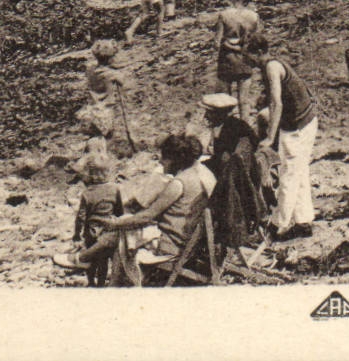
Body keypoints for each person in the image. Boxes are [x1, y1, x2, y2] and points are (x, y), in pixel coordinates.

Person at [54, 133, 216, 270]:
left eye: (164, 159)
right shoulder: (202, 173)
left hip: (172, 246)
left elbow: (147, 216)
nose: (160, 162)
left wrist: (115, 224)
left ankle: (85, 260)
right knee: (126, 225)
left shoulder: (179, 183)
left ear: (175, 159)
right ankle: (86, 258)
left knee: (123, 228)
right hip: (189, 241)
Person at [250, 35, 318, 240]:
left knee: (288, 174)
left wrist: (270, 138)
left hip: (297, 126)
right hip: (305, 120)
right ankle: (303, 221)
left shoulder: (271, 68)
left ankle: (278, 225)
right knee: (299, 171)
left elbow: (276, 104)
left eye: (249, 55)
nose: (248, 60)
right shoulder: (275, 63)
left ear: (259, 53)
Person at [201, 92, 270, 250]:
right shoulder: (228, 125)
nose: (206, 116)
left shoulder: (234, 129)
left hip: (240, 176)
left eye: (209, 112)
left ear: (218, 114)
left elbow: (227, 160)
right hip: (237, 171)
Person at [213, 1, 263, 120]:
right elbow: (257, 39)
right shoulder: (253, 16)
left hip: (227, 59)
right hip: (244, 59)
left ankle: (228, 128)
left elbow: (216, 43)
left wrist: (228, 44)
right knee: (243, 100)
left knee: (225, 98)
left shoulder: (224, 15)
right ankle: (244, 126)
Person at [76, 39, 126, 141]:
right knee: (107, 138)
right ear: (110, 58)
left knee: (94, 138)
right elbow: (122, 81)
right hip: (105, 110)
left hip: (92, 109)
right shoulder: (111, 74)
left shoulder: (90, 70)